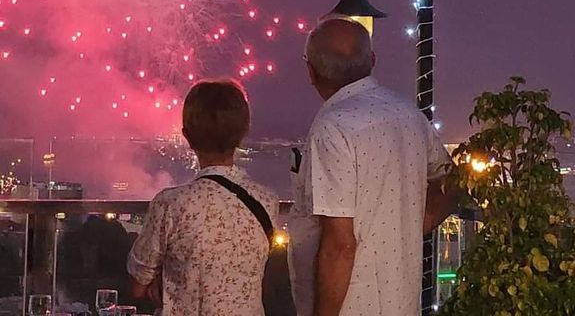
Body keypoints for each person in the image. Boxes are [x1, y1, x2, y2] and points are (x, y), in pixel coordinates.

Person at [288, 18, 457, 316]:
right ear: (373, 60)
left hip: (354, 304)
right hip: (402, 300)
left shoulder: (333, 128)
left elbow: (339, 246)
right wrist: (417, 222)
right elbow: (452, 181)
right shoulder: (408, 114)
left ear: (310, 72)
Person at [127, 79, 279, 316]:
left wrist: (164, 280)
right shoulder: (268, 202)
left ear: (187, 136)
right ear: (244, 132)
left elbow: (138, 285)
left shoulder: (171, 204)